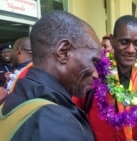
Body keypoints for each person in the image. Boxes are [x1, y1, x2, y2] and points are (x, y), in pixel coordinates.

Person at [0, 10, 101, 140]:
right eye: (93, 61)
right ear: (63, 52)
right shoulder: (57, 122)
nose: (96, 74)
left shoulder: (12, 100)